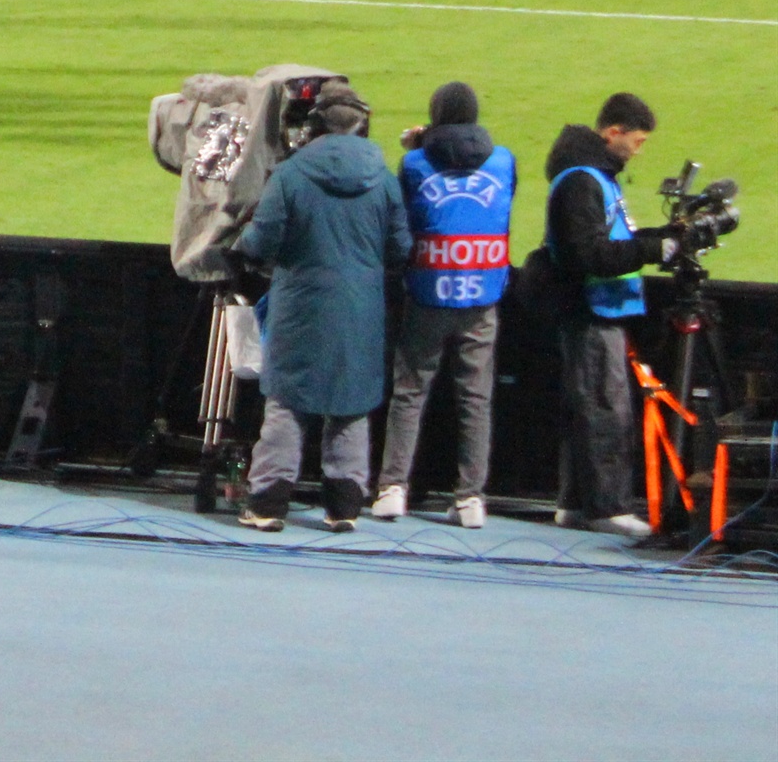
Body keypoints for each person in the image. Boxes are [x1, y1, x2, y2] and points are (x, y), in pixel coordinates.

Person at [236, 84, 409, 531]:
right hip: (361, 309)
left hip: (300, 306)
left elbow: (261, 241)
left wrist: (243, 245)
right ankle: (345, 508)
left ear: (314, 127)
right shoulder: (383, 179)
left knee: (288, 402)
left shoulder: (290, 175)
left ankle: (267, 504)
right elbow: (400, 247)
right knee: (351, 403)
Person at [376, 81, 512, 528]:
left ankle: (393, 488)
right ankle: (471, 497)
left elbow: (404, 214)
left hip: (428, 291)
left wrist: (420, 146)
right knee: (475, 398)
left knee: (410, 392)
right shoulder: (504, 160)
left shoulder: (415, 162)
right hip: (482, 293)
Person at [545, 91, 672, 538]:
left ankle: (576, 503)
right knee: (605, 408)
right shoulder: (583, 181)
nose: (638, 151)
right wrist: (653, 249)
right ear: (613, 132)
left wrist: (662, 237)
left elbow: (612, 240)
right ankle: (608, 508)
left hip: (596, 308)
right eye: (637, 141)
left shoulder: (592, 176)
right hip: (592, 310)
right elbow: (591, 254)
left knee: (589, 407)